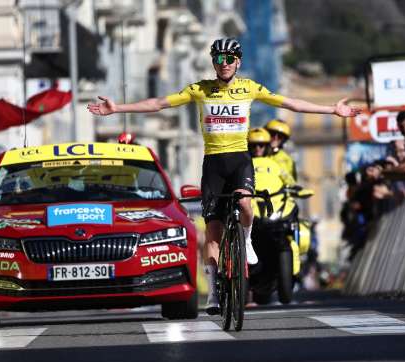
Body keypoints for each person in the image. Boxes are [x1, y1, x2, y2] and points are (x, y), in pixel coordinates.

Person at [87, 37, 360, 314]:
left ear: (238, 62)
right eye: (218, 59)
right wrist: (118, 108)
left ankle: (248, 240)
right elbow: (158, 103)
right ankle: (214, 294)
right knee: (213, 233)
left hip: (240, 160)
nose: (224, 64)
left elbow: (290, 104)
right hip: (213, 165)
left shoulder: (248, 88)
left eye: (229, 59)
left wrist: (332, 110)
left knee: (244, 204)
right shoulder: (201, 89)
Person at [264, 119, 297, 183]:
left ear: (284, 139)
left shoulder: (287, 159)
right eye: (272, 134)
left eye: (280, 136)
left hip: (279, 192)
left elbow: (293, 182)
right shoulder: (255, 153)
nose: (275, 138)